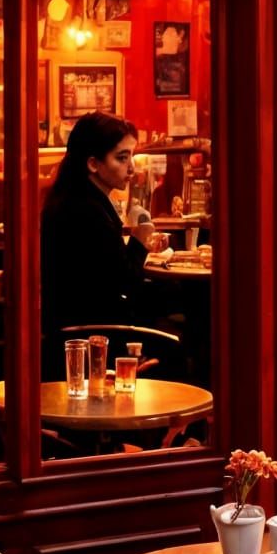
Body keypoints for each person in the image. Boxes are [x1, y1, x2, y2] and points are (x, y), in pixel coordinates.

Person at [39, 112, 158, 377]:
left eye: (131, 157)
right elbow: (124, 282)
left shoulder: (74, 199)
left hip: (78, 333)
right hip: (93, 340)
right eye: (122, 158)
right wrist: (140, 240)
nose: (132, 168)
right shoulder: (85, 210)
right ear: (93, 163)